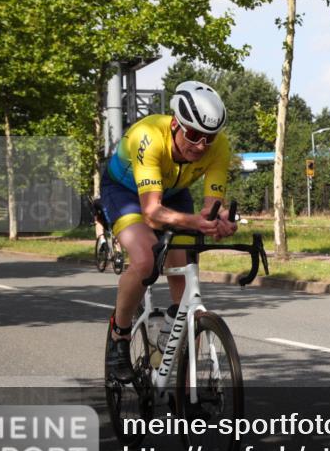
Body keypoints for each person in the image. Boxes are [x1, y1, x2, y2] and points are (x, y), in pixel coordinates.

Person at [100, 80, 237, 381]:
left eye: (209, 137)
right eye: (194, 135)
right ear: (176, 124)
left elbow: (210, 208)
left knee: (186, 279)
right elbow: (151, 212)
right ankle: (119, 334)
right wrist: (195, 222)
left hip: (173, 194)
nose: (201, 146)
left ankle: (185, 386)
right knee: (146, 260)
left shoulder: (219, 147)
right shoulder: (148, 136)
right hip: (124, 192)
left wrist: (219, 219)